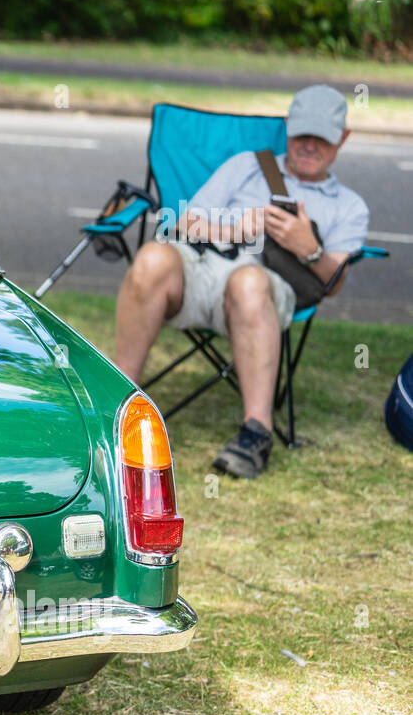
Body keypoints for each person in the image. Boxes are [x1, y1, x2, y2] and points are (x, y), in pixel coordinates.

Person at [113, 85, 369, 478]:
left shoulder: (348, 205)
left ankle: (255, 433)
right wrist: (233, 228)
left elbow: (333, 284)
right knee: (151, 257)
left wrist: (310, 249)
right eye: (303, 135)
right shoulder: (249, 164)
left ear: (344, 139)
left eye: (323, 138)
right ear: (288, 128)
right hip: (201, 272)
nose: (310, 146)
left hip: (263, 294)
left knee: (248, 281)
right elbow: (178, 223)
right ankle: (116, 406)